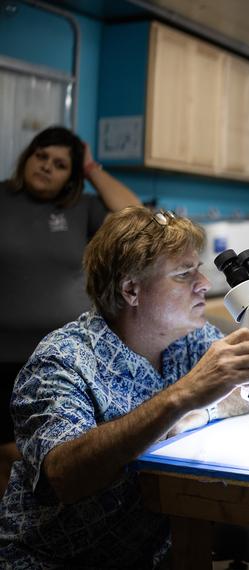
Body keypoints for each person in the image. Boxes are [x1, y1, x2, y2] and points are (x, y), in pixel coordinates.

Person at [0, 206, 249, 567]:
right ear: (131, 290)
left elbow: (239, 394)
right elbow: (66, 476)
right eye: (184, 274)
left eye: (198, 269)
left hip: (152, 550)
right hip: (60, 558)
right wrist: (182, 397)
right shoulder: (62, 360)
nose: (203, 283)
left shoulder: (189, 337)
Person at [0, 126, 142, 493]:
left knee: (55, 455)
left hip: (62, 356)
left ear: (71, 176)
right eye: (41, 156)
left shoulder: (82, 209)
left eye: (60, 164)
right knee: (7, 454)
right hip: (4, 355)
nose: (47, 166)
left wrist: (91, 167)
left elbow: (135, 212)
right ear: (27, 157)